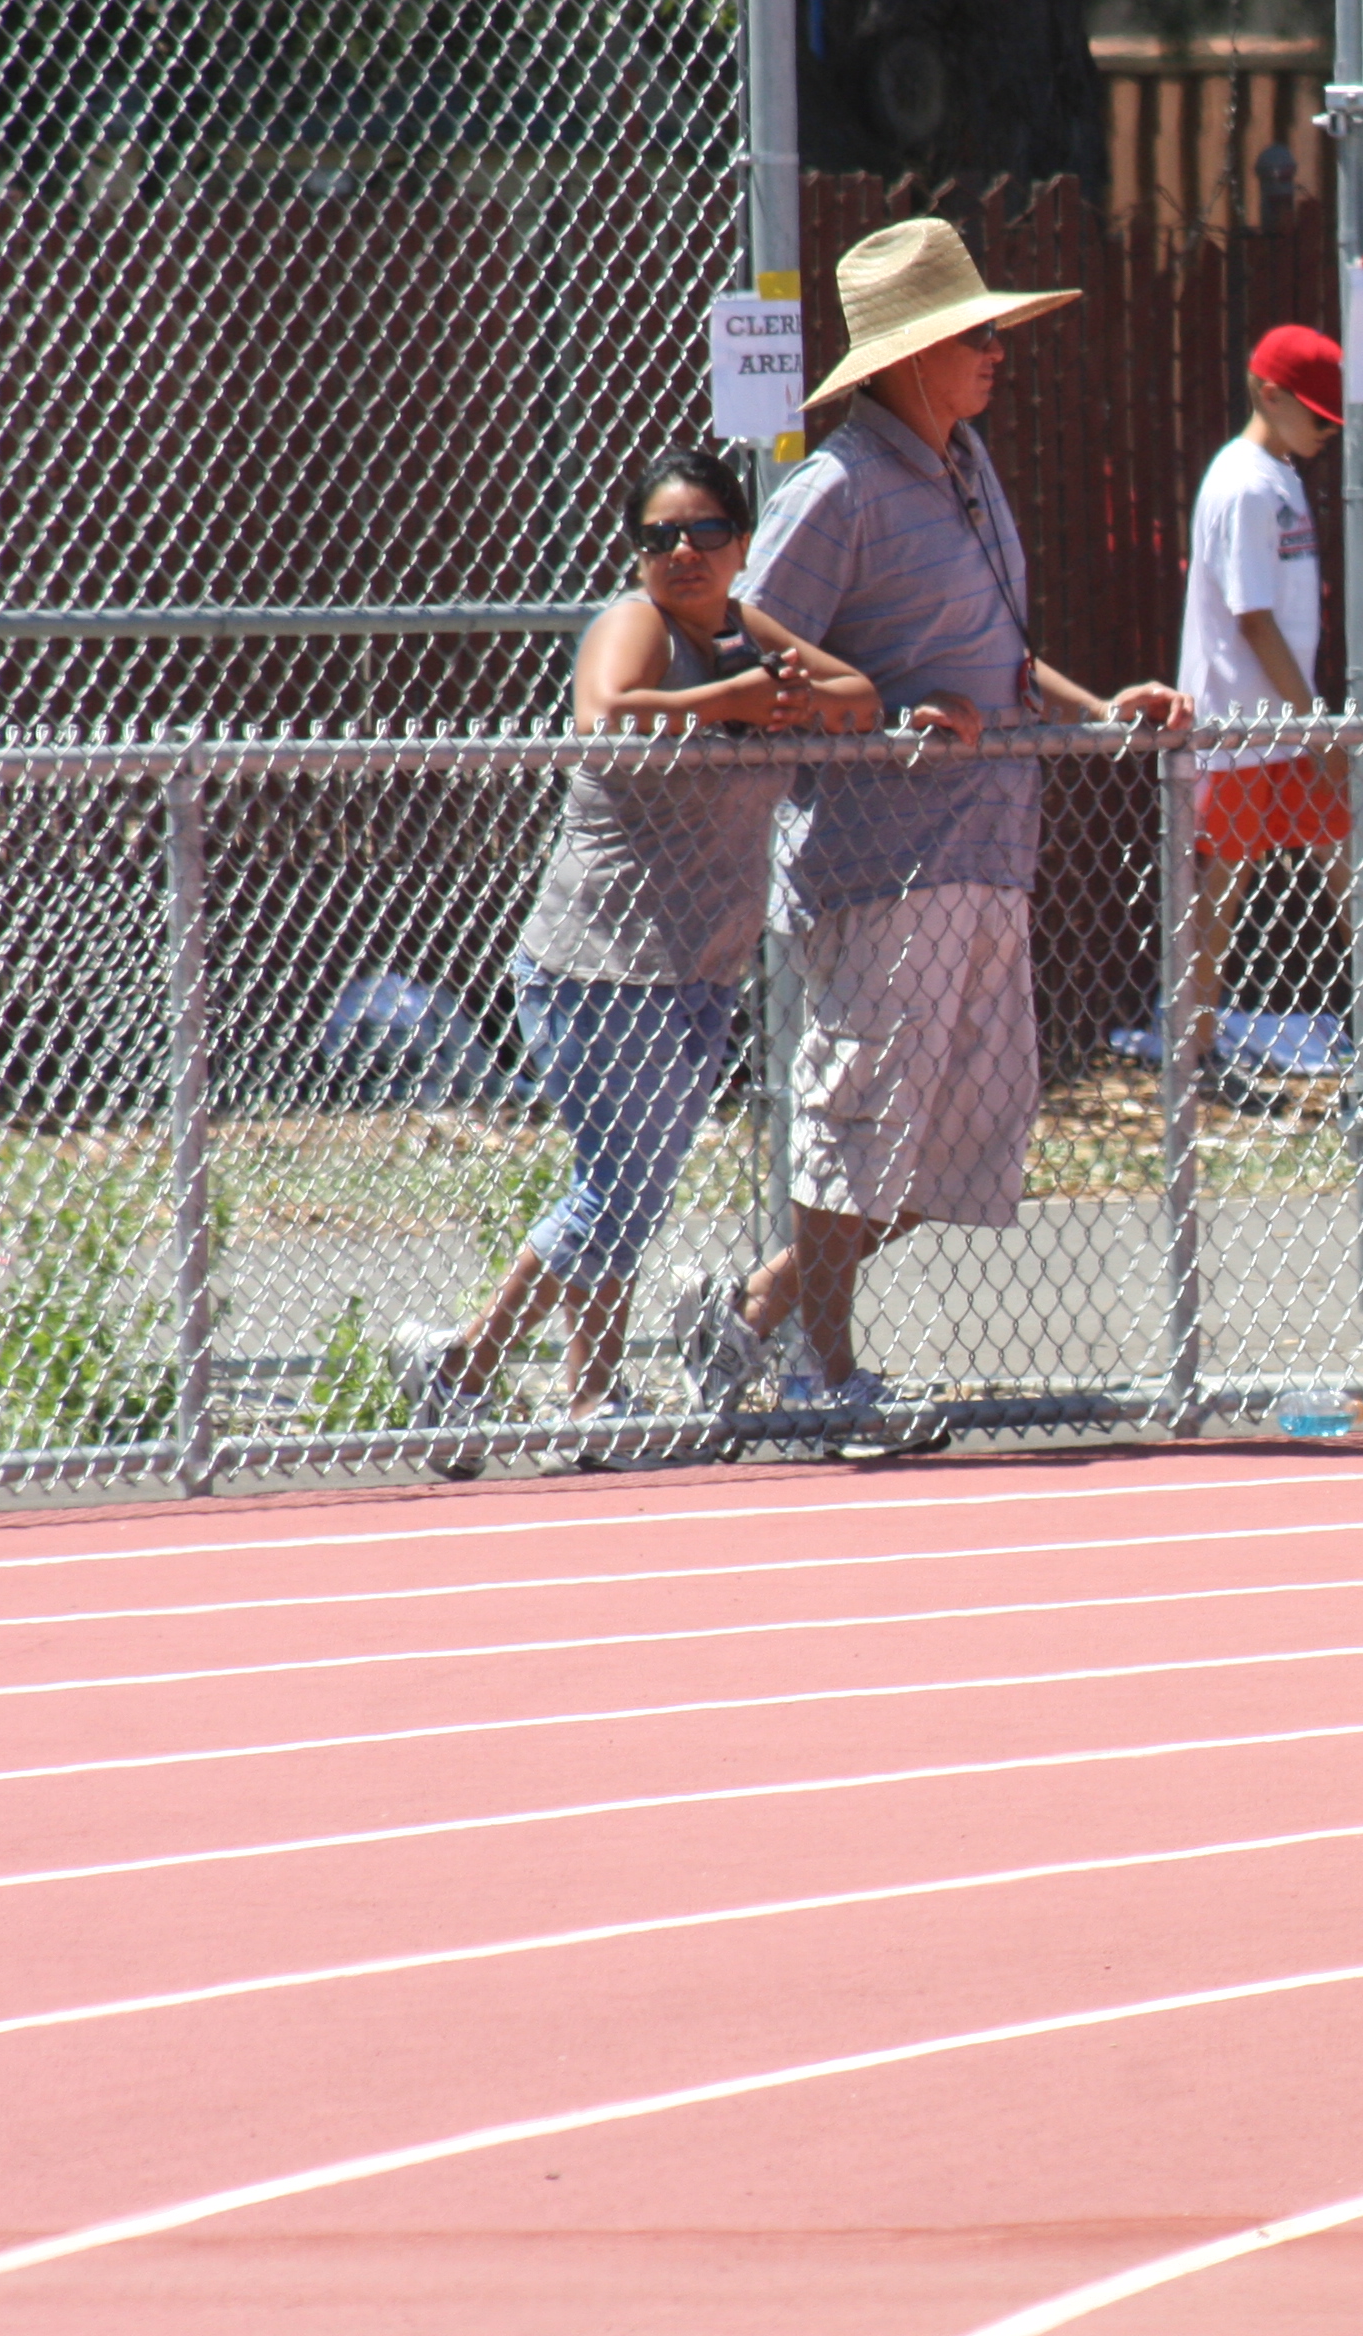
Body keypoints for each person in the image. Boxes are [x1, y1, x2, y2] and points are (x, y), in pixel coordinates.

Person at [674, 216, 1192, 1446]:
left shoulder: (966, 463)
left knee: (964, 1136)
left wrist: (1096, 708)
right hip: (881, 863)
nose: (998, 350)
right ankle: (824, 1374)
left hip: (989, 845)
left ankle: (750, 1314)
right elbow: (735, 643)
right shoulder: (838, 486)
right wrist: (878, 711)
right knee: (859, 1126)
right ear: (911, 354)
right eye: (977, 333)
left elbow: (996, 655)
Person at [392, 450, 878, 1474]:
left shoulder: (748, 635)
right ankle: (585, 1394)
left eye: (705, 531)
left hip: (698, 969)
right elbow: (603, 712)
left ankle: (469, 1370)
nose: (683, 553)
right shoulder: (639, 623)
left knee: (624, 1190)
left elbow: (857, 695)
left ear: (742, 543)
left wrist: (787, 696)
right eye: (659, 537)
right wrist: (729, 701)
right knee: (617, 1189)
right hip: (598, 963)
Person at [1175, 323, 1348, 1120]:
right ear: (1269, 395)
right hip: (1242, 729)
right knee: (1221, 892)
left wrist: (1305, 725)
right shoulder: (1244, 483)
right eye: (1318, 414)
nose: (1329, 430)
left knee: (1349, 870)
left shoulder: (1279, 474)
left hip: (1283, 725)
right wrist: (1315, 726)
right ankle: (1196, 1055)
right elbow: (1252, 616)